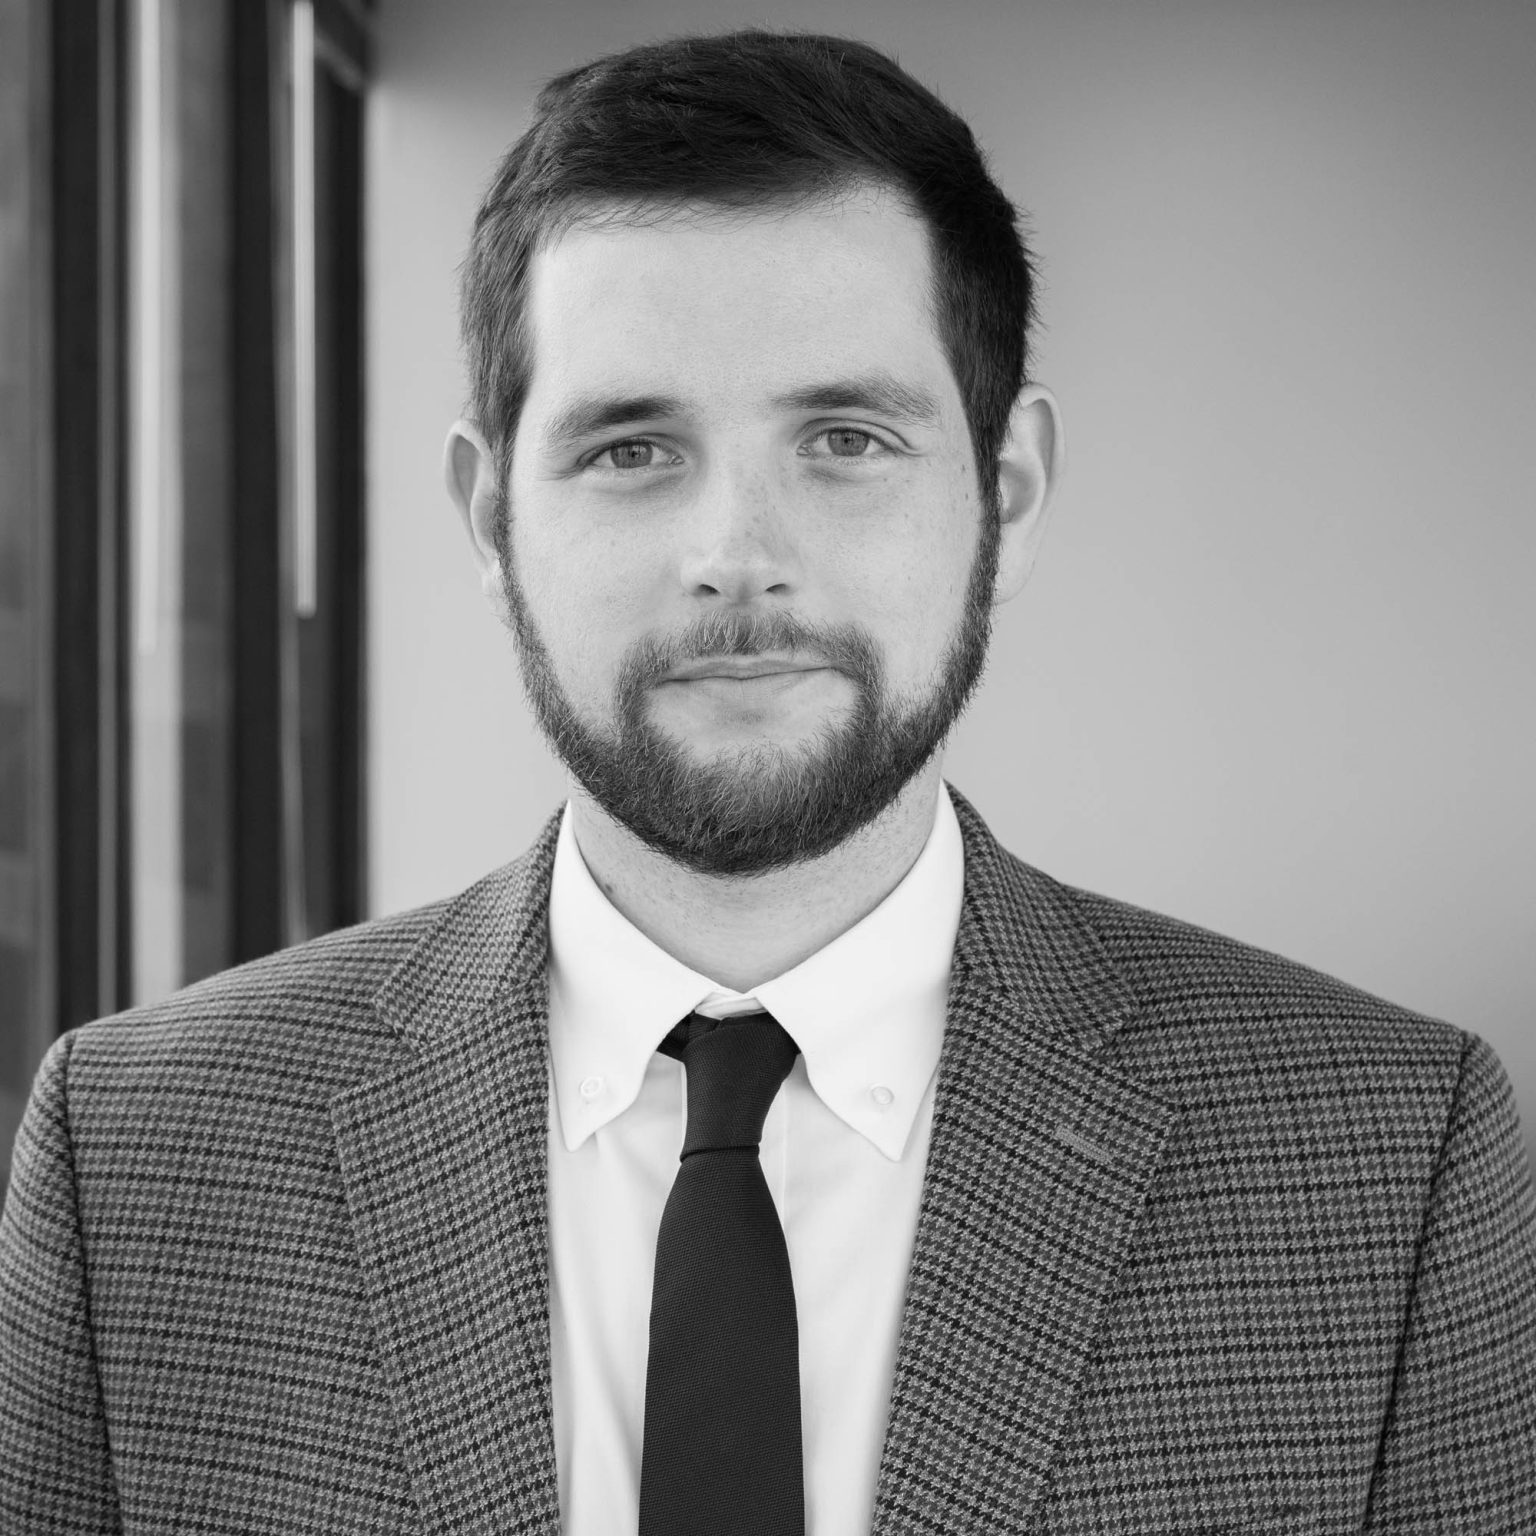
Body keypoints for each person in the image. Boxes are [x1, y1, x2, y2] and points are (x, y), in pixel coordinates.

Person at [2, 28, 1533, 1535]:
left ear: (1006, 492)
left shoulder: (1392, 1160)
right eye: (629, 449)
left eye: (846, 438)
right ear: (488, 517)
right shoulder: (136, 1156)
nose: (738, 554)